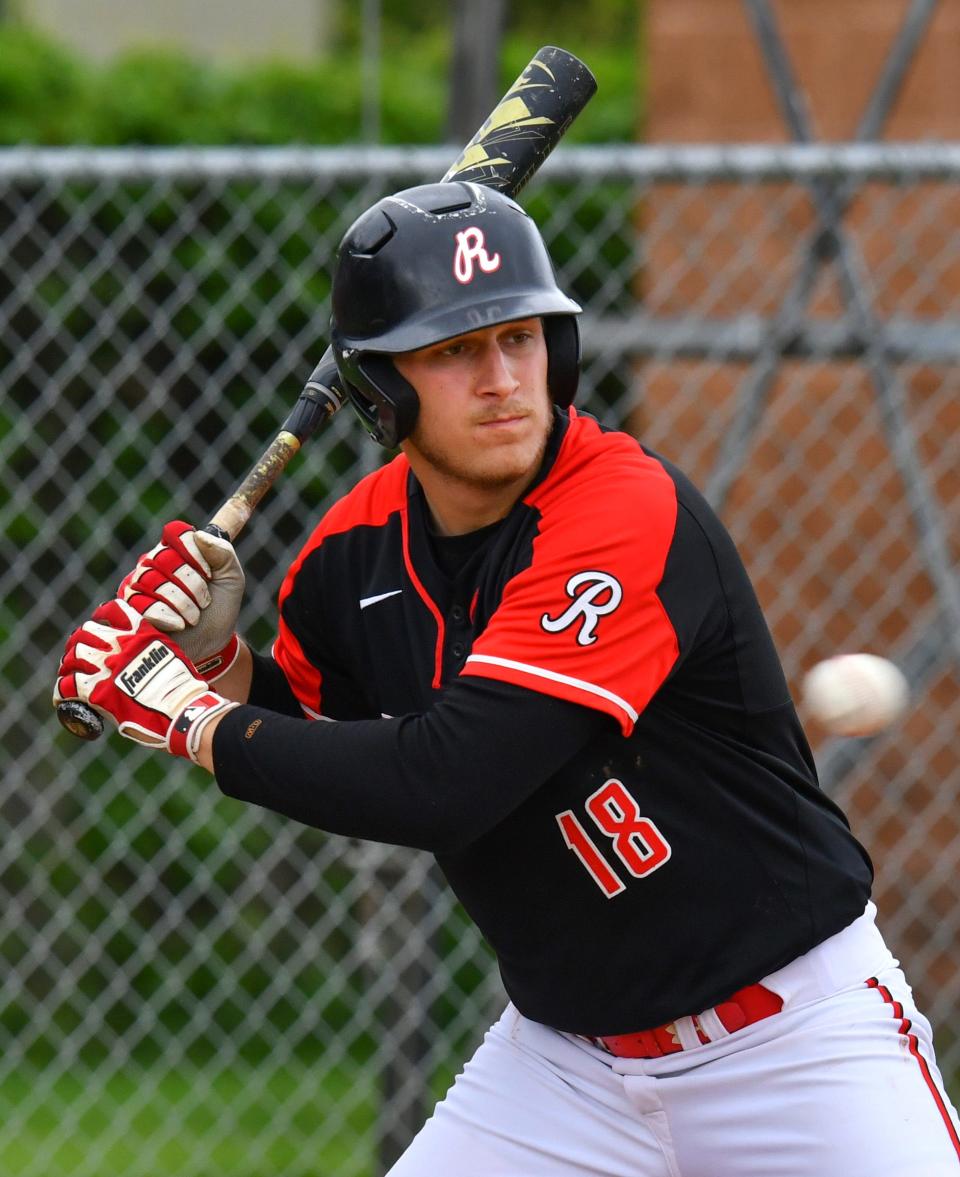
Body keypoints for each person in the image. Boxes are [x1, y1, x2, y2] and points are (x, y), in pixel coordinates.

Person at [54, 181, 960, 1176]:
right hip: (567, 1072)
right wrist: (219, 664)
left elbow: (444, 781)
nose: (502, 378)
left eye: (520, 338)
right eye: (453, 351)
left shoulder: (622, 510)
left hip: (795, 1046)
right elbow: (325, 746)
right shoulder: (347, 558)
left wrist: (183, 716)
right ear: (381, 391)